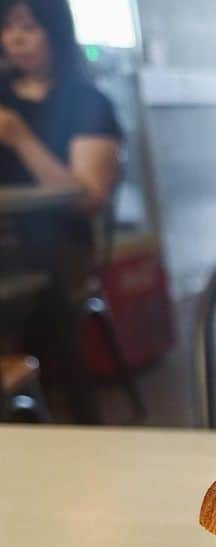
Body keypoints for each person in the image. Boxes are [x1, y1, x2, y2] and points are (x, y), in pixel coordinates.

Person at [0, 0, 123, 421]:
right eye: (8, 28)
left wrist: (20, 137)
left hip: (63, 246)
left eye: (28, 27)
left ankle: (71, 418)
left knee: (39, 292)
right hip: (9, 244)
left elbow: (87, 198)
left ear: (56, 32)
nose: (15, 38)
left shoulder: (86, 101)